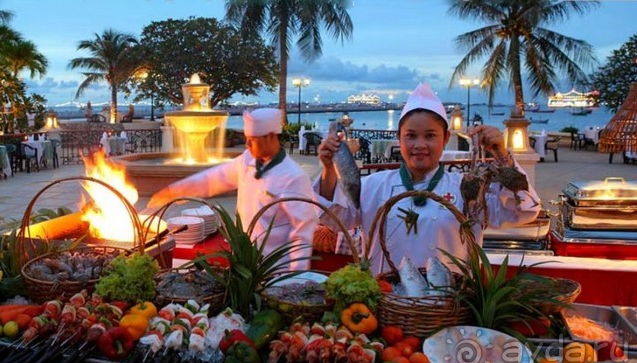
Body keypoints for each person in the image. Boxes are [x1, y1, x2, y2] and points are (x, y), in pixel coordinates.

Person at [315, 83, 540, 274]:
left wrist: (501, 153)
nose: (420, 145)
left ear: (446, 138)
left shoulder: (468, 188)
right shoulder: (374, 184)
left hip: (449, 308)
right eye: (411, 136)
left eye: (430, 136)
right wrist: (328, 169)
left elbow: (523, 211)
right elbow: (336, 219)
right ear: (399, 139)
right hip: (384, 305)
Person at [148, 108, 318, 270]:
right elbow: (213, 178)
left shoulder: (293, 177)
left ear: (271, 137)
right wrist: (174, 191)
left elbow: (303, 230)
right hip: (243, 257)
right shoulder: (247, 160)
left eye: (252, 140)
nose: (247, 144)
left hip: (274, 266)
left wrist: (294, 277)